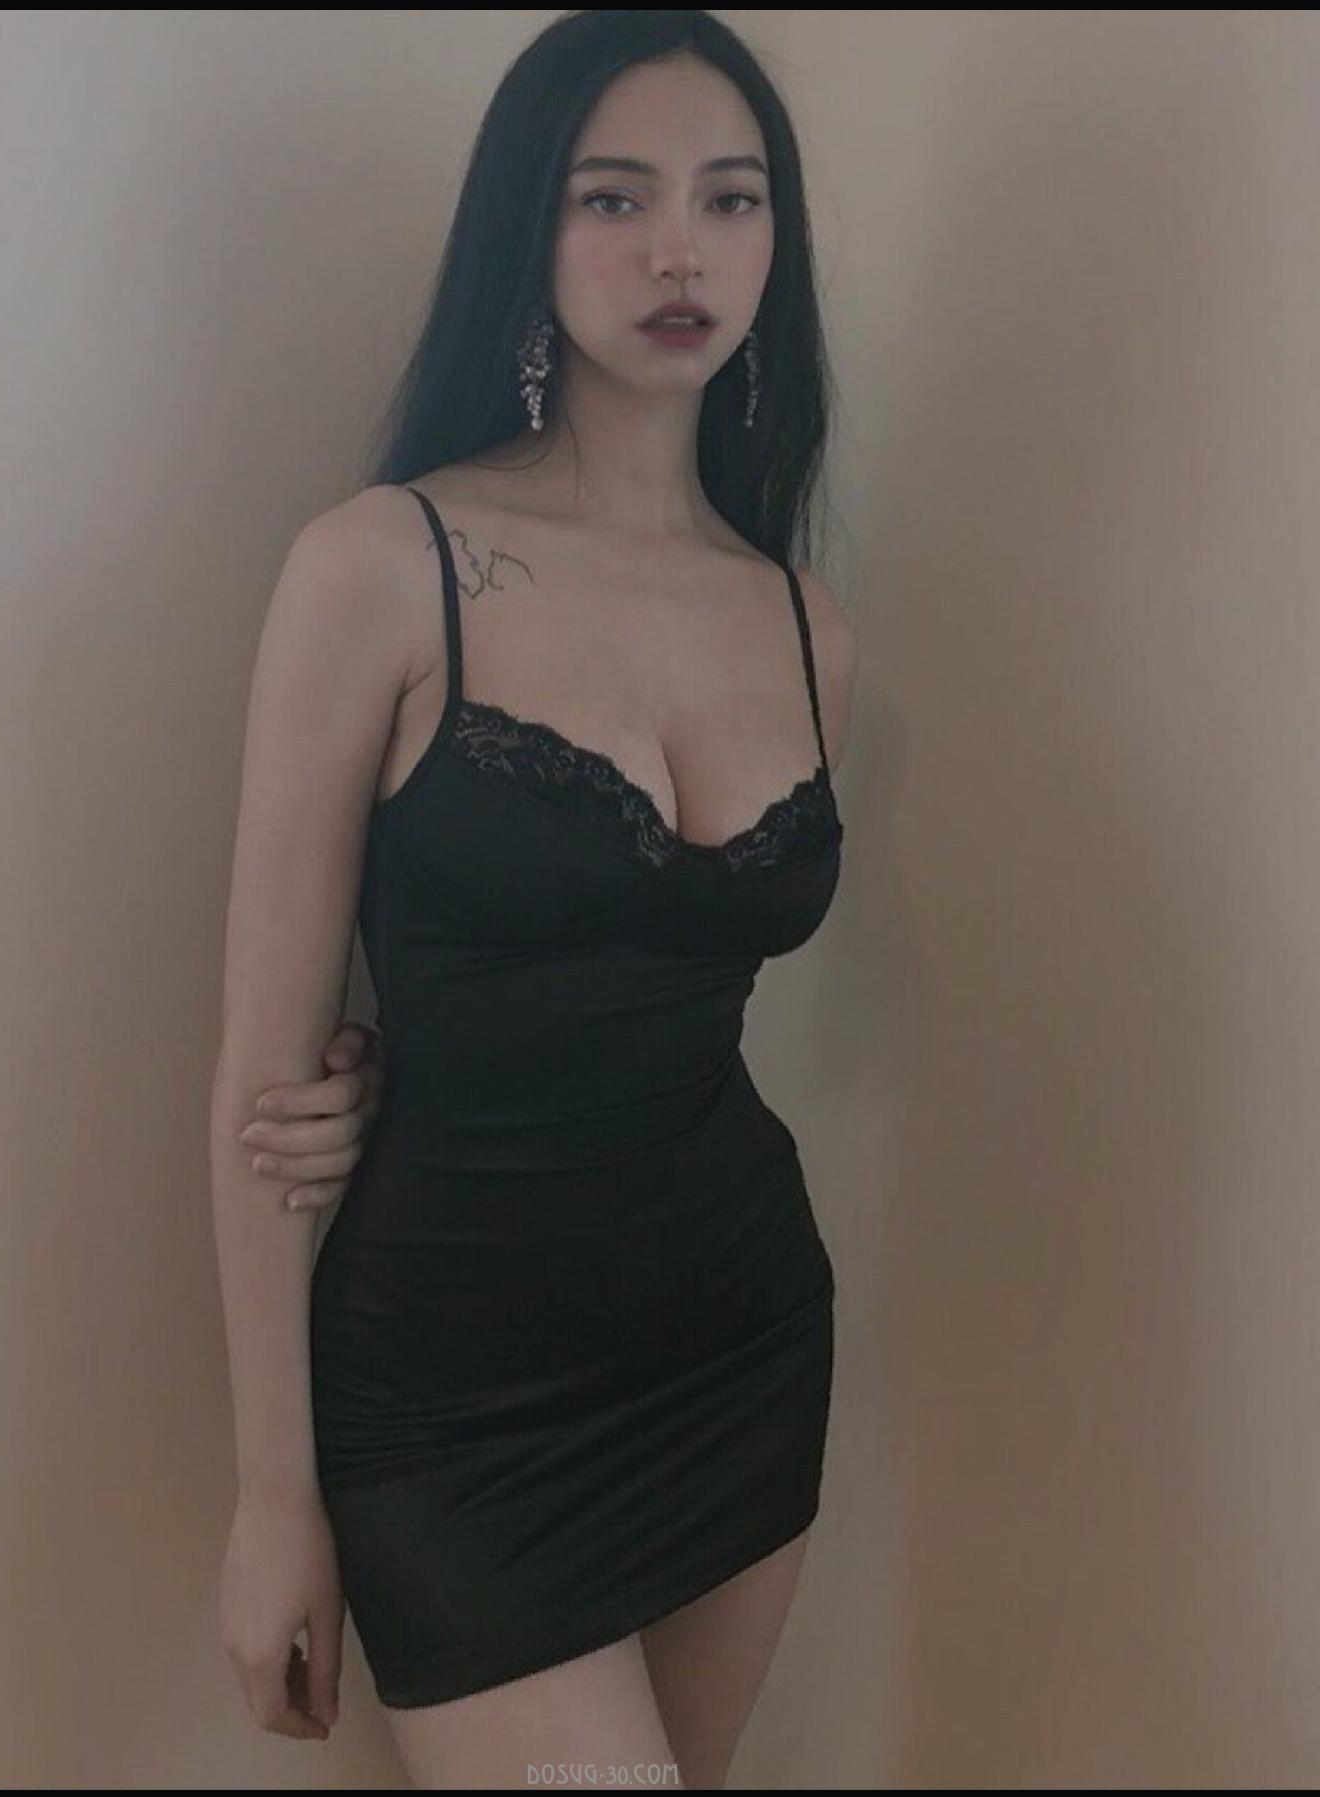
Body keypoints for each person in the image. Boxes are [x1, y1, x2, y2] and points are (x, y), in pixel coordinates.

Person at [209, 9, 859, 1788]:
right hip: (452, 1410)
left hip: (738, 1342)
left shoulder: (808, 625)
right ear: (530, 228)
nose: (680, 250)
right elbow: (263, 1082)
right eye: (614, 196)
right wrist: (275, 1496)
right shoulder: (378, 567)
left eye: (732, 199)